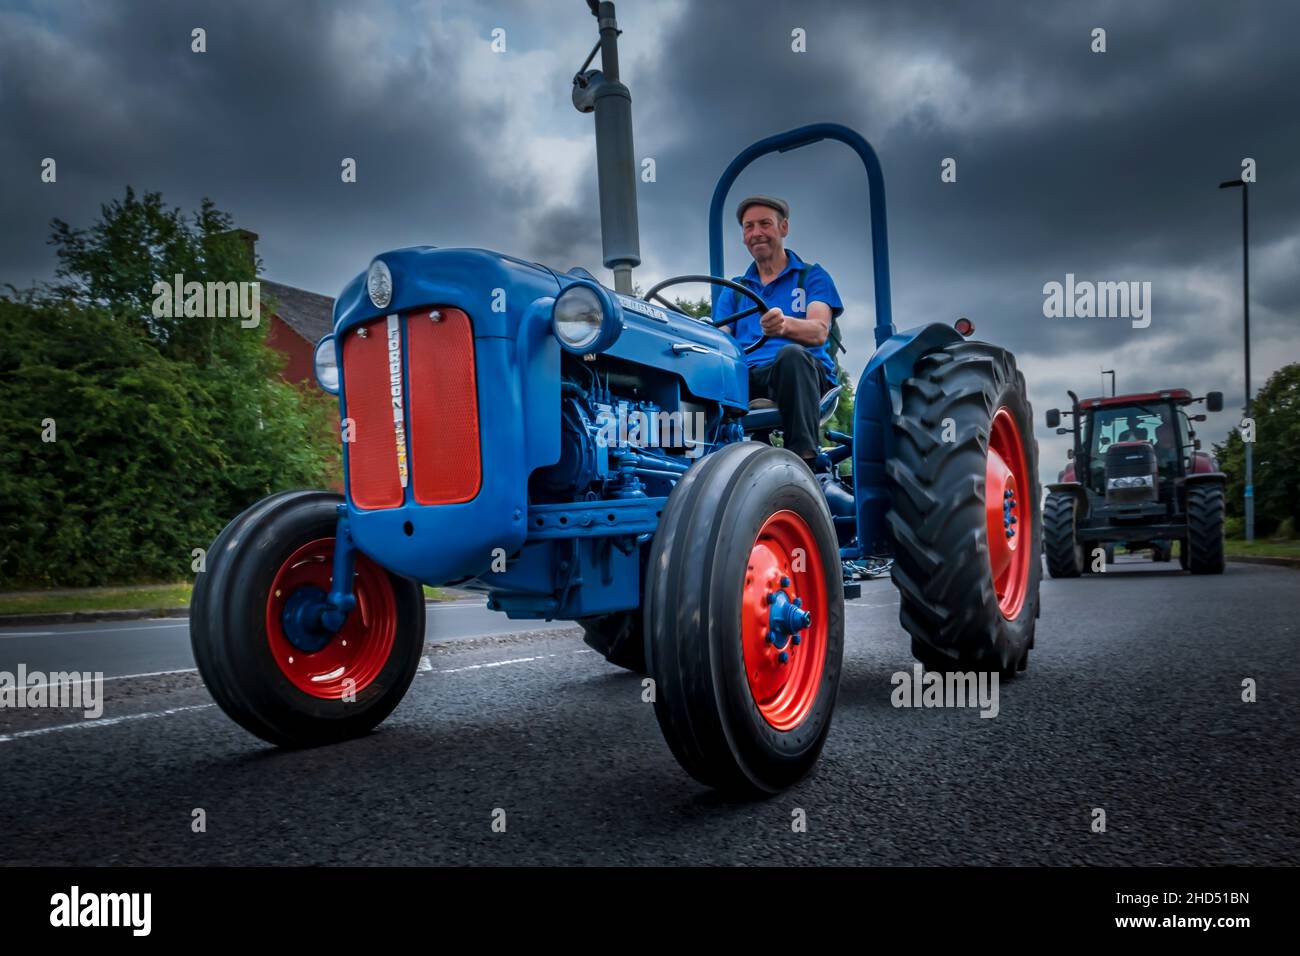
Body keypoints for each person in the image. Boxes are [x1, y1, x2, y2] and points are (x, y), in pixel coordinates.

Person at [713, 195, 844, 472]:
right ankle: (702, 462)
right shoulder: (735, 290)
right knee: (704, 373)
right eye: (749, 227)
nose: (756, 233)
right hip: (749, 378)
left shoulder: (811, 277)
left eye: (765, 224)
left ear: (783, 228)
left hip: (803, 372)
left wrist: (784, 326)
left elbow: (819, 331)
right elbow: (719, 340)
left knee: (791, 356)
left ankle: (804, 462)